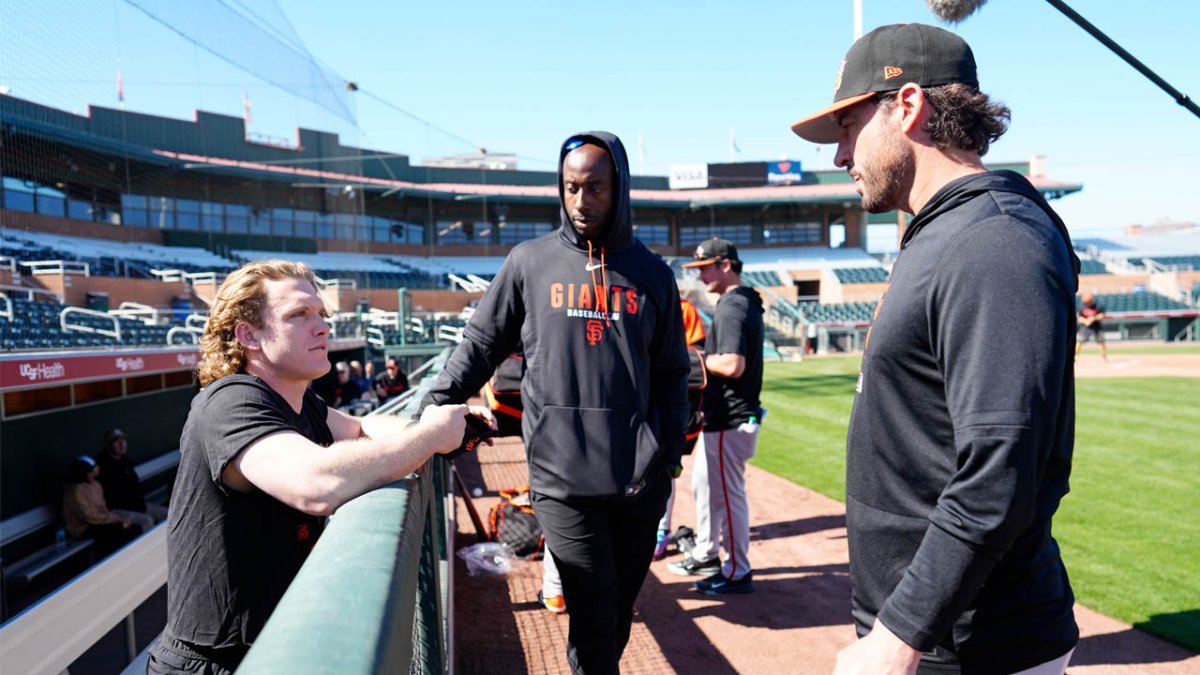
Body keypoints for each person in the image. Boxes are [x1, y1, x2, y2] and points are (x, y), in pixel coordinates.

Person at [790, 23, 1080, 675]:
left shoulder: (994, 244)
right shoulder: (947, 233)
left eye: (847, 126)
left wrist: (898, 635)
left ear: (910, 107)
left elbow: (998, 472)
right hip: (936, 632)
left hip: (972, 644)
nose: (839, 156)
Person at [422, 131, 690, 675]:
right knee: (592, 610)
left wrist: (667, 458)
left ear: (619, 189)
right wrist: (432, 407)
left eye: (595, 188)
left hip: (638, 480)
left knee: (614, 614)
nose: (581, 202)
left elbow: (671, 372)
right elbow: (480, 344)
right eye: (571, 188)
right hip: (561, 478)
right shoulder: (529, 262)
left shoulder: (653, 274)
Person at [147, 260, 484, 675]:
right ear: (247, 335)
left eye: (322, 314)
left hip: (267, 646)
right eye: (299, 315)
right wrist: (429, 439)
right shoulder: (229, 401)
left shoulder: (298, 399)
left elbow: (360, 428)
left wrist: (436, 428)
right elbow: (315, 484)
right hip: (216, 663)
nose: (323, 326)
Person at [667, 239, 764, 596]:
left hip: (730, 418)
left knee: (728, 494)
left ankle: (738, 571)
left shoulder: (733, 306)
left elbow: (732, 365)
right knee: (711, 489)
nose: (700, 275)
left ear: (725, 265)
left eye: (704, 267)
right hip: (729, 418)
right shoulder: (739, 302)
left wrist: (693, 357)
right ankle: (712, 556)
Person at [653, 297, 707, 560]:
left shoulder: (683, 307)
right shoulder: (619, 298)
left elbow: (697, 353)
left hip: (669, 399)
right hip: (630, 399)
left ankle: (661, 530)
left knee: (666, 465)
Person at [62, 456, 140, 554]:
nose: (97, 469)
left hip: (99, 521)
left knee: (132, 528)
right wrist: (116, 519)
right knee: (113, 532)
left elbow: (102, 508)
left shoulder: (95, 484)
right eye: (93, 468)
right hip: (82, 527)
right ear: (86, 472)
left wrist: (116, 519)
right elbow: (89, 516)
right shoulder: (75, 490)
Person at [95, 428, 169, 528]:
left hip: (136, 505)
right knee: (147, 520)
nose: (121, 444)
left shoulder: (125, 462)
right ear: (107, 445)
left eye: (123, 440)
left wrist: (139, 505)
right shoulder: (103, 466)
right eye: (116, 441)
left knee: (168, 514)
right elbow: (113, 498)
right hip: (117, 510)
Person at [1076, 293, 1108, 360]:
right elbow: (1078, 317)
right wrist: (1085, 321)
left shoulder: (1098, 306)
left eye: (1087, 302)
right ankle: (1075, 356)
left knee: (1101, 341)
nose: (1086, 304)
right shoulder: (1081, 307)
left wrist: (1094, 318)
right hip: (1085, 326)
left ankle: (1104, 356)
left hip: (1096, 326)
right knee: (1079, 340)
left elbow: (1102, 315)